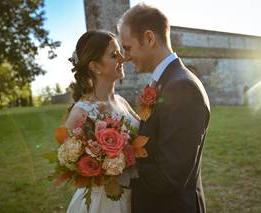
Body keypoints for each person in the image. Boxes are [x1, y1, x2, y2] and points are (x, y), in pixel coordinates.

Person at [118, 3, 210, 213]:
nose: (125, 56)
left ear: (149, 38)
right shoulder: (166, 81)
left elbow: (170, 176)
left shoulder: (182, 87)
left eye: (128, 47)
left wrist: (117, 167)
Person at [64, 30, 139, 213]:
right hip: (106, 204)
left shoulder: (121, 101)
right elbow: (70, 164)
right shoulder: (81, 112)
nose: (123, 58)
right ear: (96, 66)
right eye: (114, 55)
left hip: (135, 196)